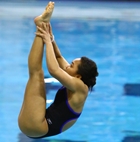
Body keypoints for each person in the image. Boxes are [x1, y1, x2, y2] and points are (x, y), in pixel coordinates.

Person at [18, 1, 98, 139]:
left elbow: (54, 70)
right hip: (37, 123)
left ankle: (40, 25)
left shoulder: (81, 88)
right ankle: (41, 24)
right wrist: (50, 36)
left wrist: (47, 41)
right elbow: (59, 57)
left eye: (71, 65)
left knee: (37, 74)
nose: (68, 66)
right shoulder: (76, 79)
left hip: (37, 126)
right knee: (36, 74)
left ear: (79, 76)